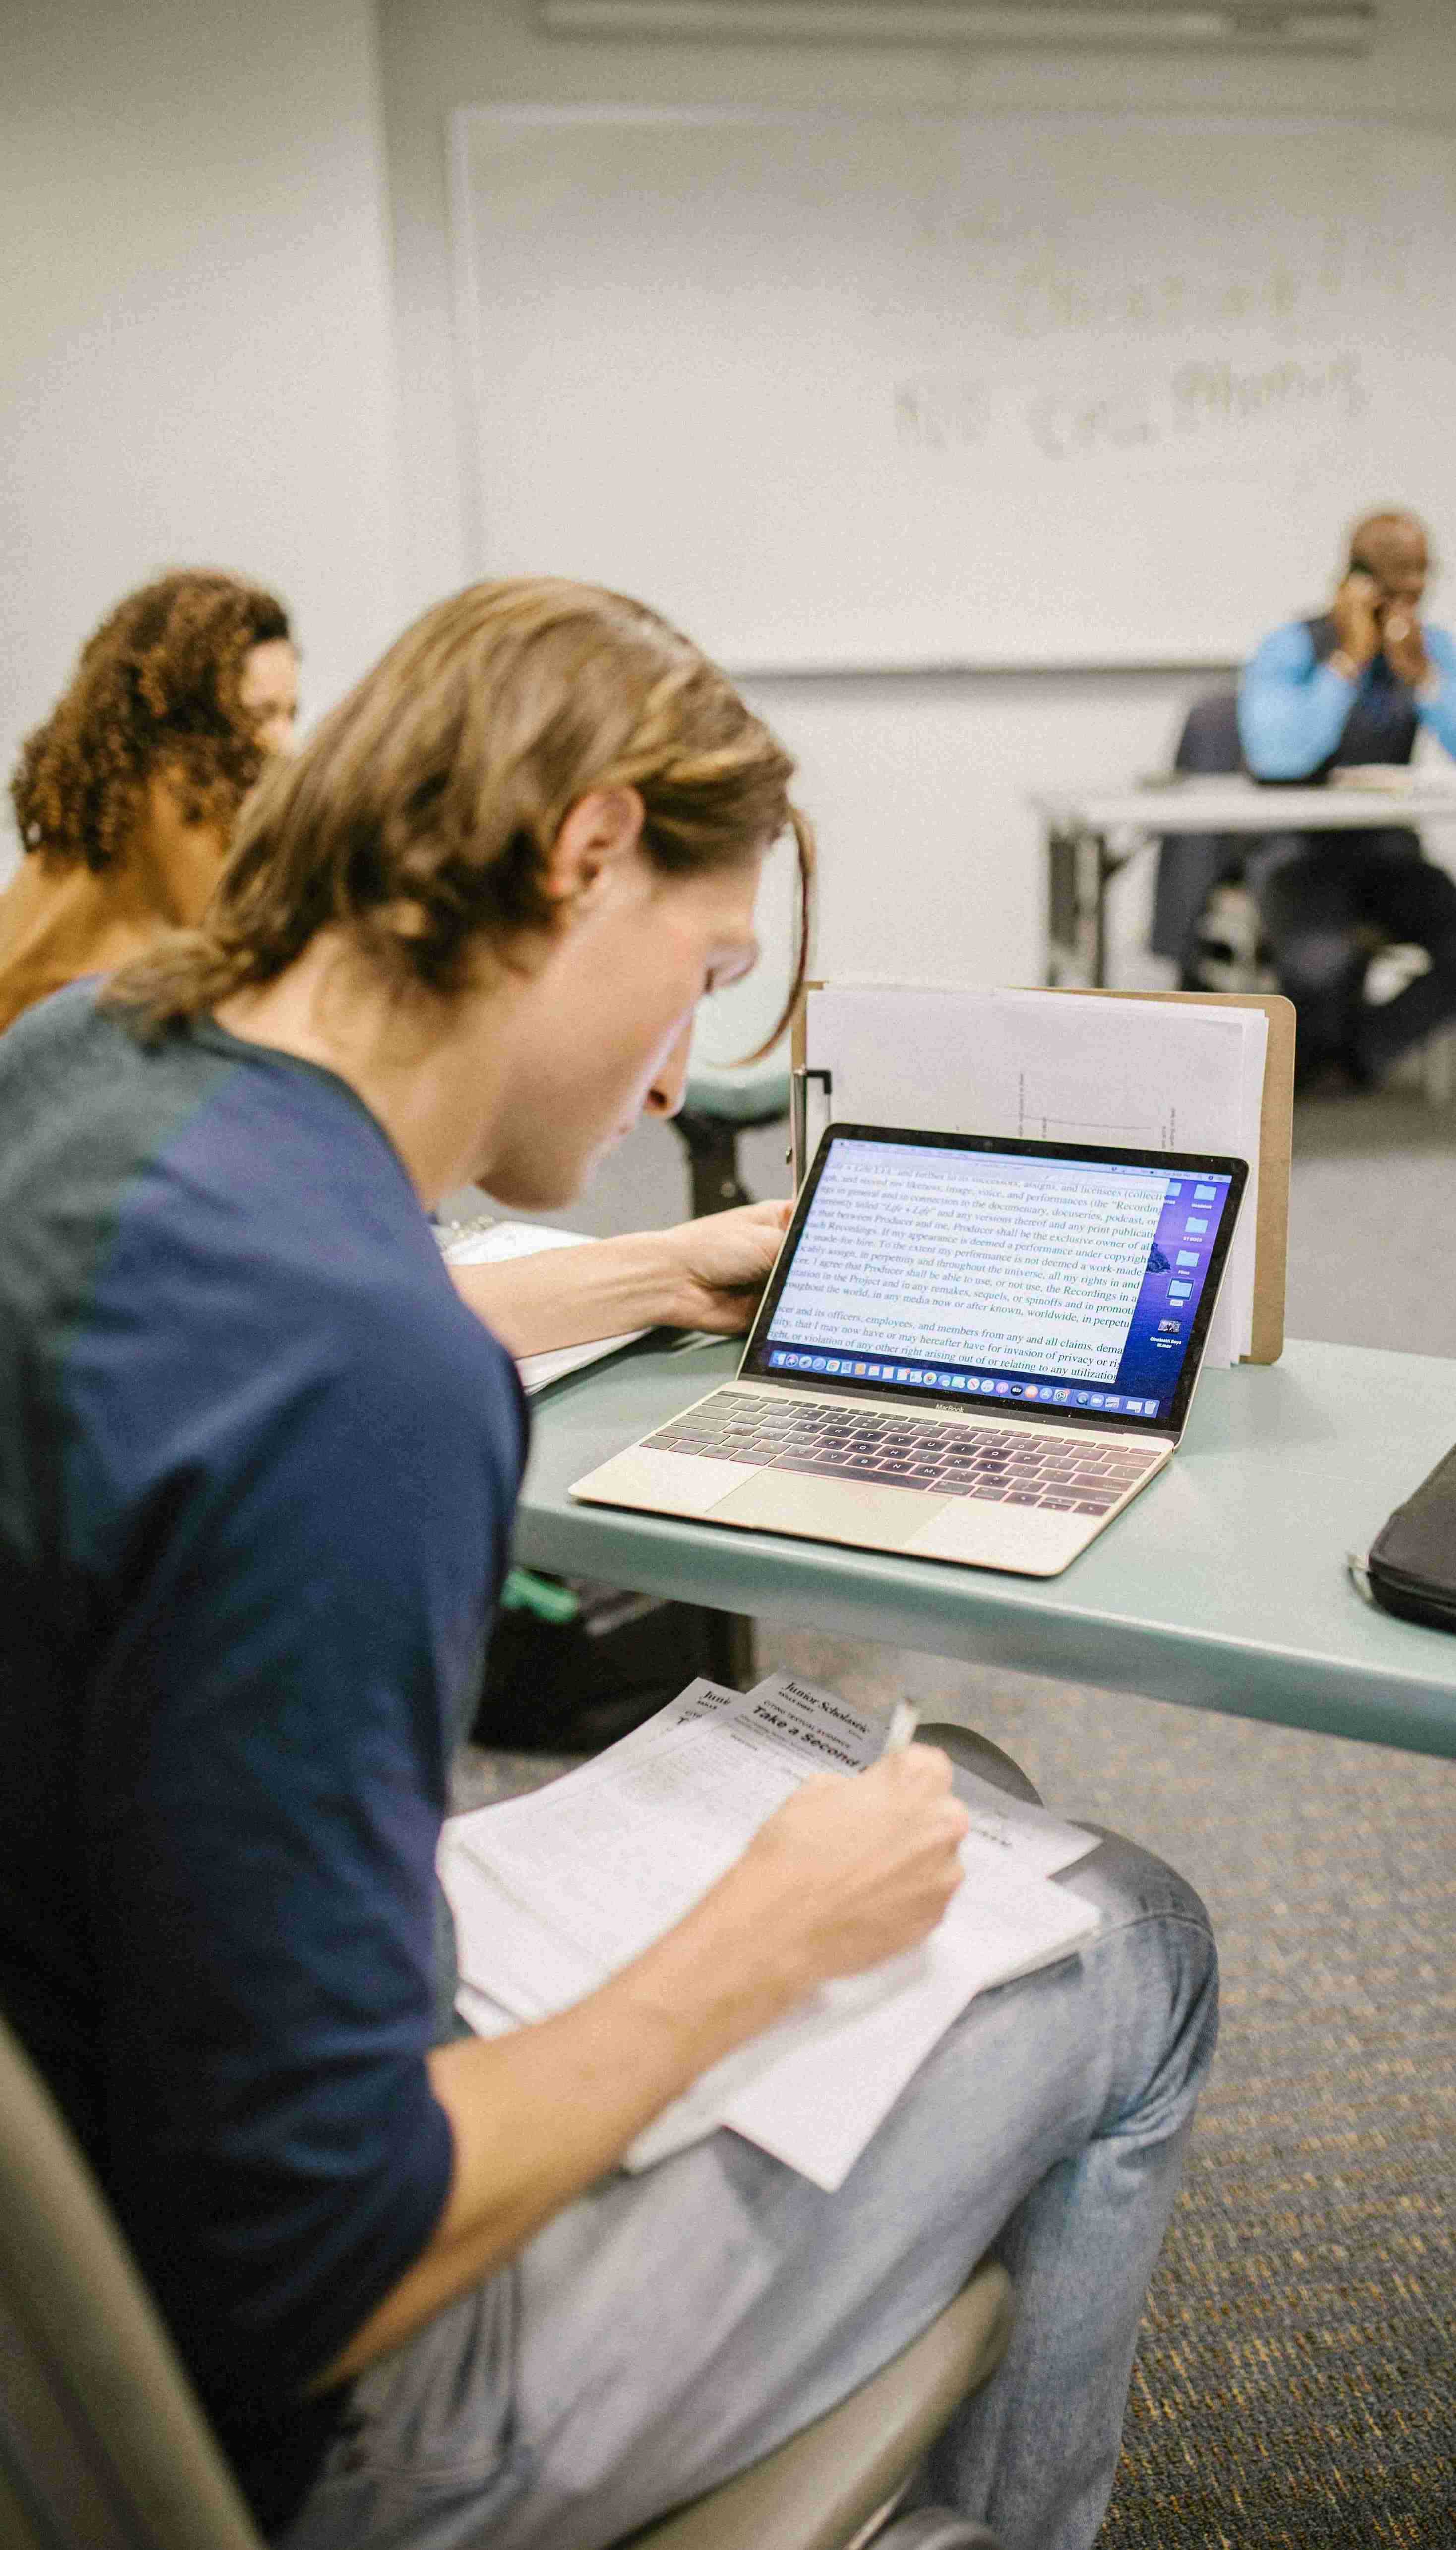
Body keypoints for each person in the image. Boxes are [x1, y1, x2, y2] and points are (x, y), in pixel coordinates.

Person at [0, 580, 1217, 2550]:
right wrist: (755, 1947)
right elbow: (317, 2255)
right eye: (702, 969)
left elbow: (282, 1319)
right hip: (341, 2409)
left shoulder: (79, 1060)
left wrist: (648, 1269)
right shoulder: (364, 1386)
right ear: (583, 851)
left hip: (82, 2183)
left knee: (957, 1802)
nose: (672, 1080)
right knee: (1127, 1935)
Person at [0, 569, 300, 1037]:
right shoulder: (177, 792)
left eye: (289, 715)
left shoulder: (110, 802)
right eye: (261, 715)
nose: (284, 744)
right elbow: (250, 950)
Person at [1238, 509, 1456, 1082]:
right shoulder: (1290, 648)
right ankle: (1316, 1066)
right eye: (1397, 573)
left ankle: (1362, 1053)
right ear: (1357, 577)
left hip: (1385, 852)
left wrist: (1424, 680)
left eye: (1422, 572)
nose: (1413, 587)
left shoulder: (1428, 649)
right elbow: (1277, 758)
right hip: (1299, 854)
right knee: (1317, 969)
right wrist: (1347, 663)